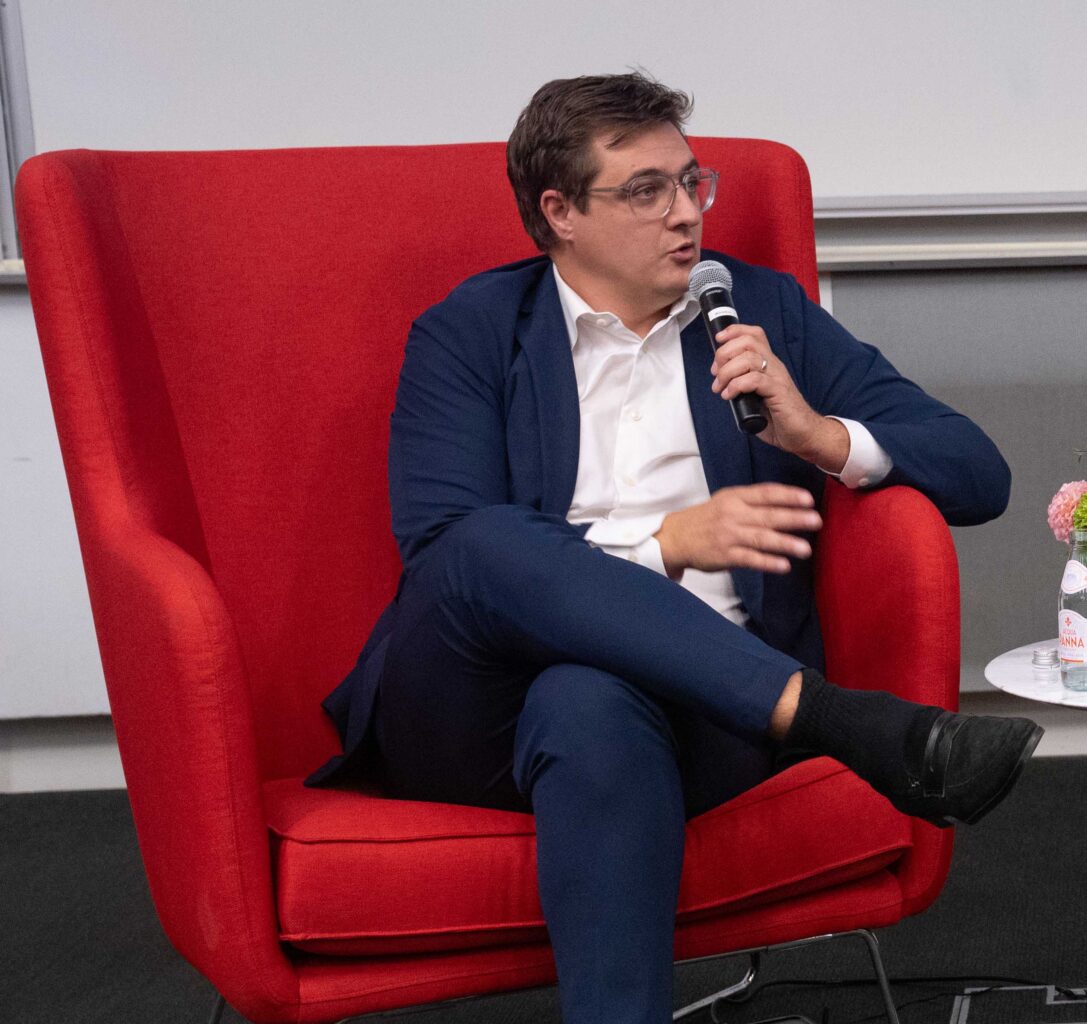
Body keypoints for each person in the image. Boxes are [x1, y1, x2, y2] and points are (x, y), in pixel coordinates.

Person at [304, 72, 1042, 1023]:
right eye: (646, 191)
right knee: (479, 544)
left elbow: (980, 474)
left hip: (696, 716)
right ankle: (848, 725)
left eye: (694, 182)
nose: (685, 214)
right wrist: (663, 544)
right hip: (474, 713)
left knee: (590, 702)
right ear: (559, 212)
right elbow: (443, 555)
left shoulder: (756, 311)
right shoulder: (473, 333)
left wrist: (818, 434)